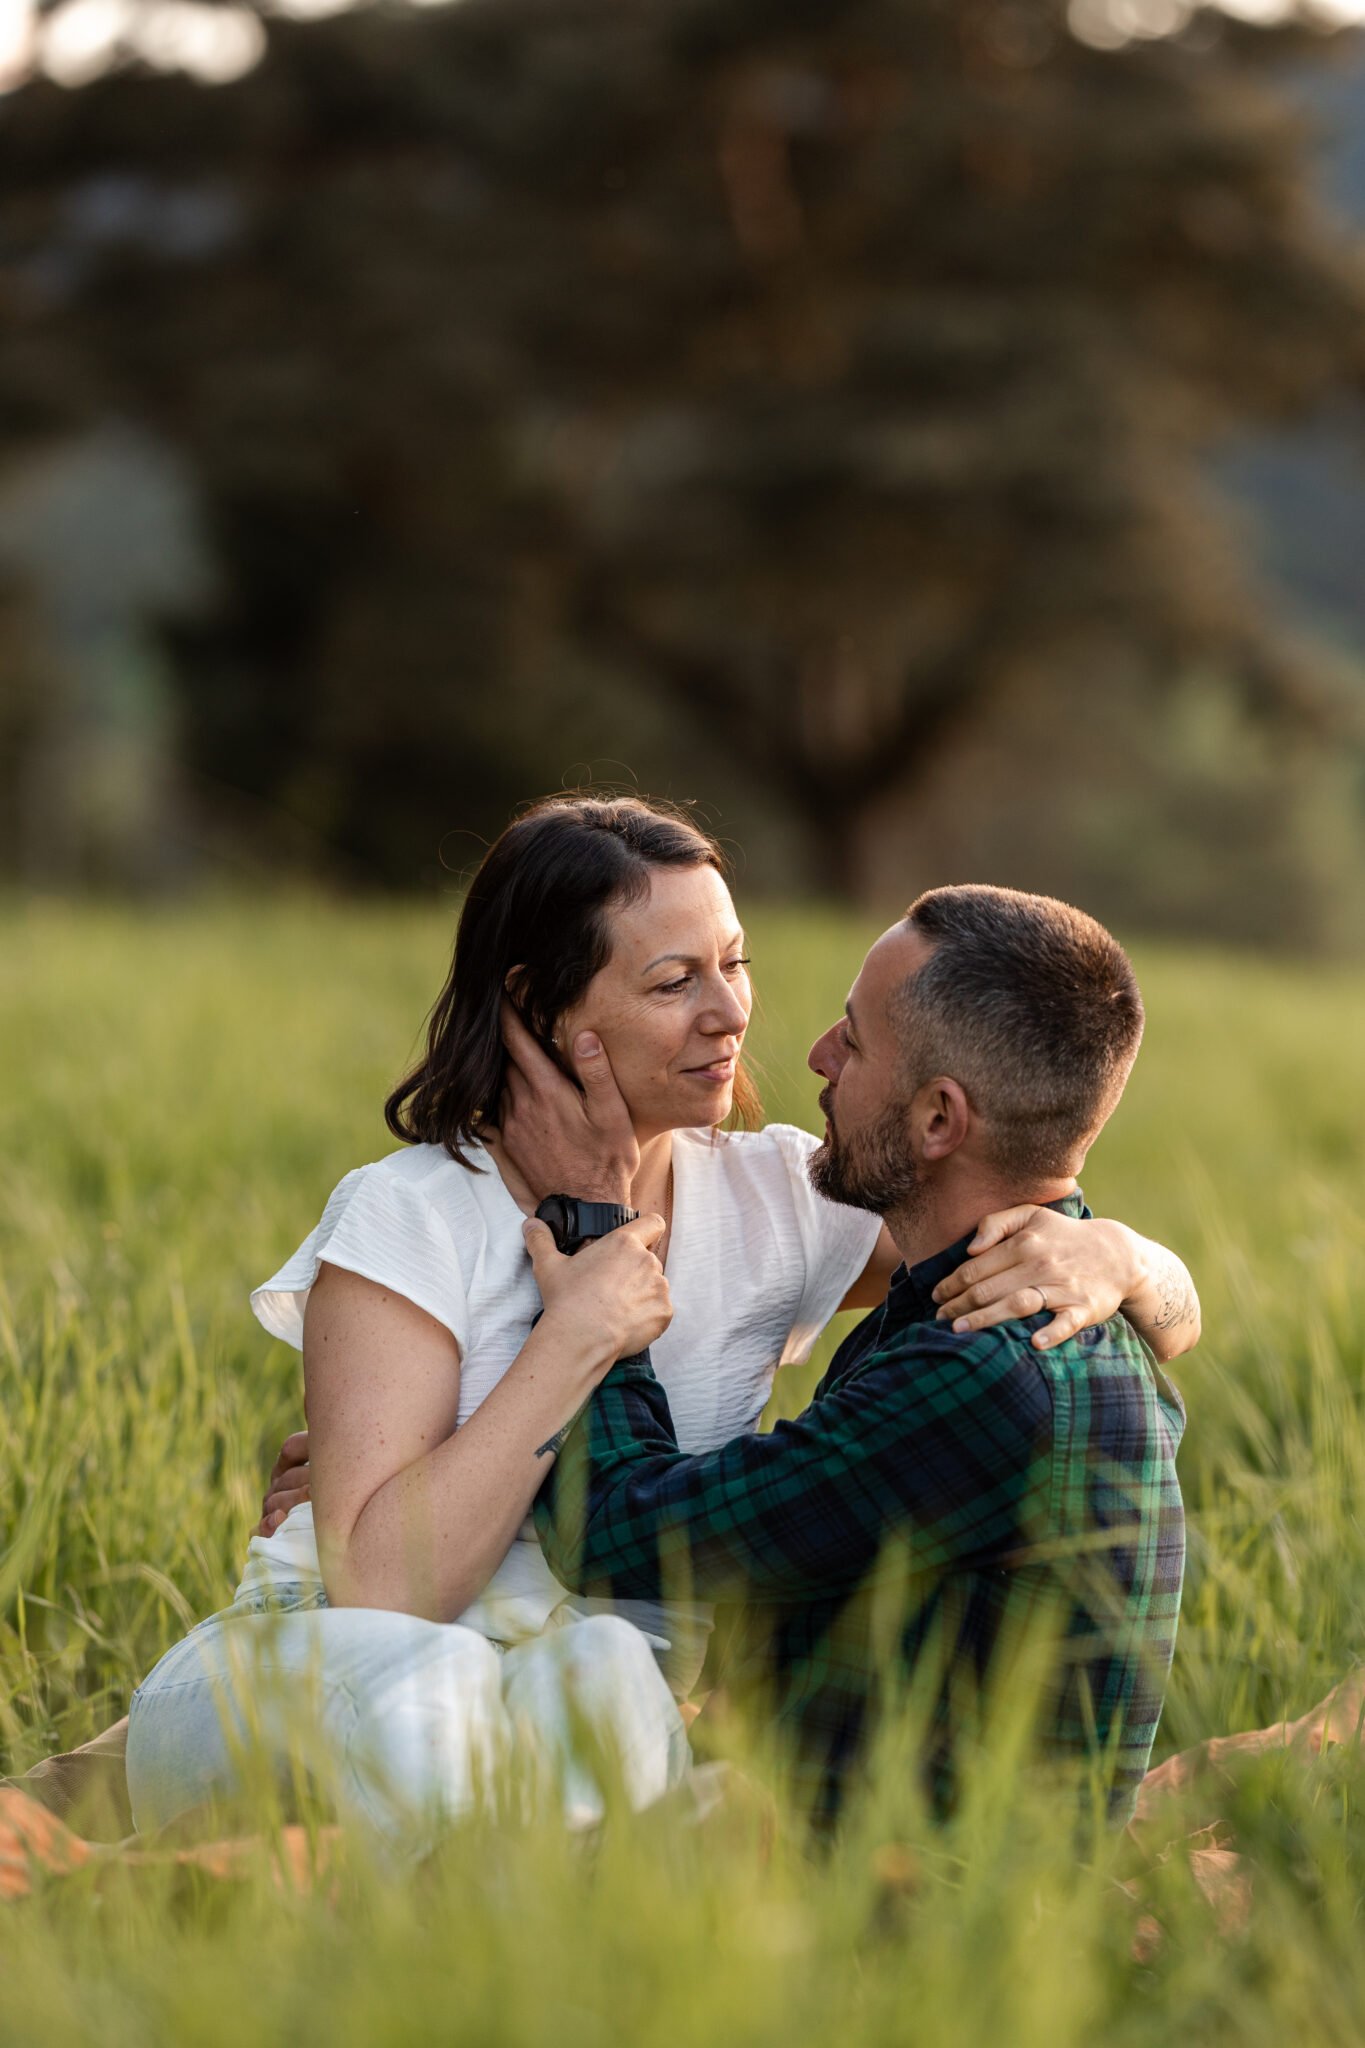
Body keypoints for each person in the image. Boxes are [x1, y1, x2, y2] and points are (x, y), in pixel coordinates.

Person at [119, 800, 1197, 1851]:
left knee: (610, 1667)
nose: (732, 1013)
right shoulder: (413, 1211)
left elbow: (984, 1215)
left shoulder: (783, 1198)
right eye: (675, 980)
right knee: (445, 1686)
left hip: (572, 1709)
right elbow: (389, 1590)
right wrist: (574, 1332)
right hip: (338, 1669)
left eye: (734, 962)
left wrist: (1126, 1255)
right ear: (542, 1009)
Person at [523, 883, 1188, 1826]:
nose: (816, 1059)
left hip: (889, 1911)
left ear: (936, 1121)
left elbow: (622, 1536)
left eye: (855, 1041)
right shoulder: (1005, 1301)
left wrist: (596, 1218)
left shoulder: (979, 1372)